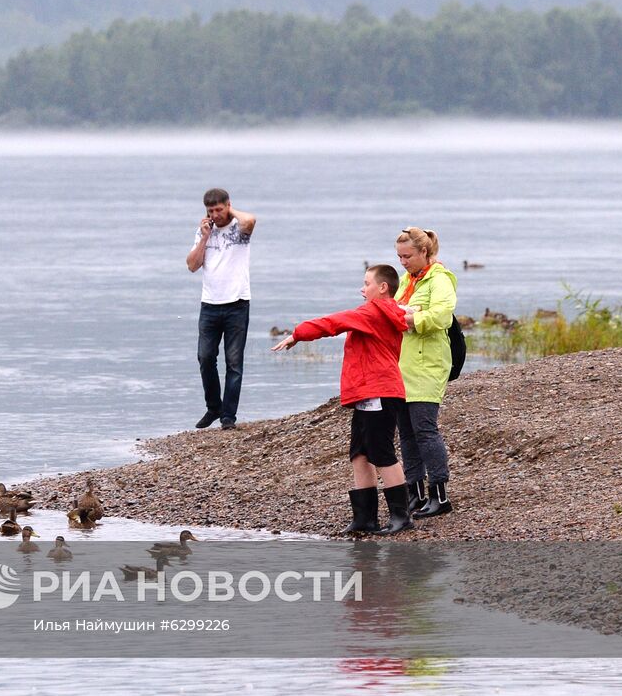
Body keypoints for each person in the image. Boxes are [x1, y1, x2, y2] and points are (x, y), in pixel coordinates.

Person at [272, 265, 414, 535]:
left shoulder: (373, 311)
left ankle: (401, 516)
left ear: (382, 287)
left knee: (381, 452)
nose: (362, 289)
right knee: (359, 453)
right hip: (367, 393)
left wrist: (298, 334)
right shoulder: (382, 312)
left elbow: (333, 322)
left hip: (380, 391)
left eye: (367, 283)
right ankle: (365, 518)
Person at [393, 227, 458, 518]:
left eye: (407, 256)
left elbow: (443, 316)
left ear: (424, 252)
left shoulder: (439, 279)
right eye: (399, 257)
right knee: (406, 433)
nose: (403, 262)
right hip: (403, 365)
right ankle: (415, 492)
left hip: (428, 364)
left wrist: (410, 318)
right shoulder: (408, 280)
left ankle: (440, 495)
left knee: (424, 430)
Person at [185, 189, 256, 430]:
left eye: (219, 209)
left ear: (228, 206)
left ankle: (228, 416)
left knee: (234, 362)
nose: (215, 215)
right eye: (210, 211)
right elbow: (192, 265)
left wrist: (230, 211)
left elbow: (251, 221)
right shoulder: (204, 230)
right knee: (205, 357)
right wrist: (204, 237)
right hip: (210, 305)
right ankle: (213, 407)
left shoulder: (239, 228)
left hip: (237, 303)